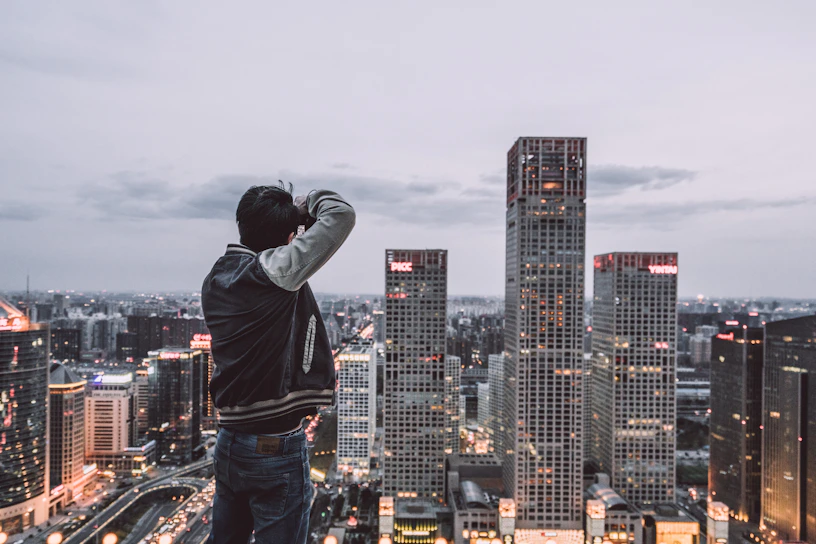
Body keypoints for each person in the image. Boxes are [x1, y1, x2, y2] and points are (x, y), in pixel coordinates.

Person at [202, 183, 355, 543]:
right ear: (288, 237)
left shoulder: (217, 278)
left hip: (229, 441)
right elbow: (341, 215)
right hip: (274, 448)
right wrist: (307, 203)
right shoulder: (270, 274)